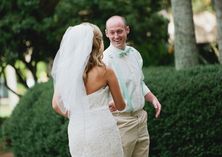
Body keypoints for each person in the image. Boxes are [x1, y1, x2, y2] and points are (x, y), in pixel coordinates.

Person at [51, 22, 126, 157]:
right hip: (103, 128)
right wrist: (114, 104)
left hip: (77, 128)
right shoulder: (106, 70)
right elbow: (120, 105)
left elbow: (56, 105)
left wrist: (77, 114)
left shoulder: (66, 73)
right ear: (98, 44)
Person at [103, 15, 162, 157]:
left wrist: (153, 99)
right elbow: (98, 93)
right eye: (112, 32)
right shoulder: (104, 60)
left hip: (141, 119)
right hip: (121, 122)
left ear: (127, 30)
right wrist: (108, 103)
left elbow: (139, 83)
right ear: (106, 34)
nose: (116, 36)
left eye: (119, 31)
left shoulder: (135, 54)